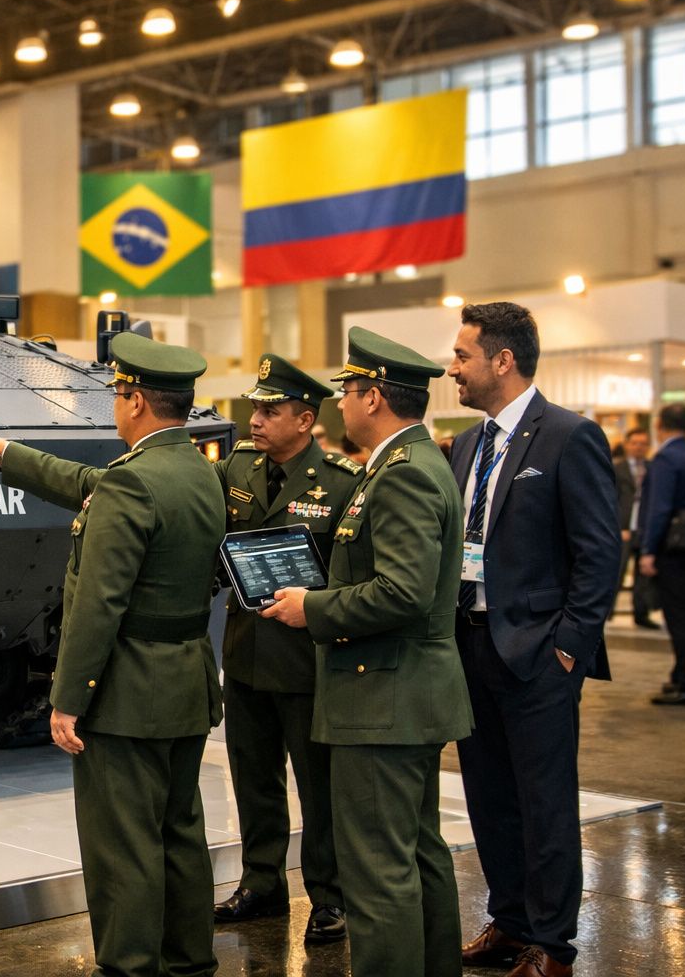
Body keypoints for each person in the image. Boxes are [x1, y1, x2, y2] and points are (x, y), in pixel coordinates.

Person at [0, 331, 225, 977]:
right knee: (180, 833)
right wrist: (7, 453)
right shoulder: (197, 474)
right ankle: (189, 962)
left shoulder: (133, 485)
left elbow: (98, 606)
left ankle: (128, 964)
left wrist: (68, 700)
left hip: (127, 698)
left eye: (117, 393)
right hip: (186, 685)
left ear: (133, 401)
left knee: (121, 845)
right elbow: (90, 484)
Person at [260, 326, 472, 977]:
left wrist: (312, 607)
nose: (341, 404)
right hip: (399, 692)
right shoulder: (403, 463)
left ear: (373, 397)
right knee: (416, 852)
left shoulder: (403, 473)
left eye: (347, 391)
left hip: (383, 695)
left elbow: (403, 591)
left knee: (378, 869)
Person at [446, 302, 620, 977]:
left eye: (462, 356)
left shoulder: (568, 437)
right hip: (471, 645)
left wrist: (569, 647)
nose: (451, 367)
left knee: (545, 803)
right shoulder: (468, 444)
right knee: (488, 797)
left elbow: (599, 555)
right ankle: (511, 921)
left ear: (502, 360)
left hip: (539, 655)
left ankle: (552, 944)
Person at [210, 353, 363, 944]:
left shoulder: (342, 482)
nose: (256, 420)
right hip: (247, 652)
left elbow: (349, 574)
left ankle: (329, 896)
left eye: (271, 411)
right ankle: (263, 883)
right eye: (255, 408)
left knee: (317, 784)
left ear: (305, 420)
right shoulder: (239, 470)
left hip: (306, 660)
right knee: (254, 776)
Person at [640, 402, 685, 706]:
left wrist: (649, 550)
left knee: (680, 617)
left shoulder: (666, 457)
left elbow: (659, 508)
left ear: (659, 423)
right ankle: (683, 675)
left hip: (671, 549)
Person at [613, 427, 658, 627]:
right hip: (623, 530)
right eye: (635, 443)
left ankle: (641, 614)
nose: (639, 447)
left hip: (644, 529)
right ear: (627, 445)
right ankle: (607, 612)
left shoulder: (653, 468)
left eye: (643, 444)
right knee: (616, 572)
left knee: (643, 577)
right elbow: (610, 500)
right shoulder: (616, 468)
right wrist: (618, 526)